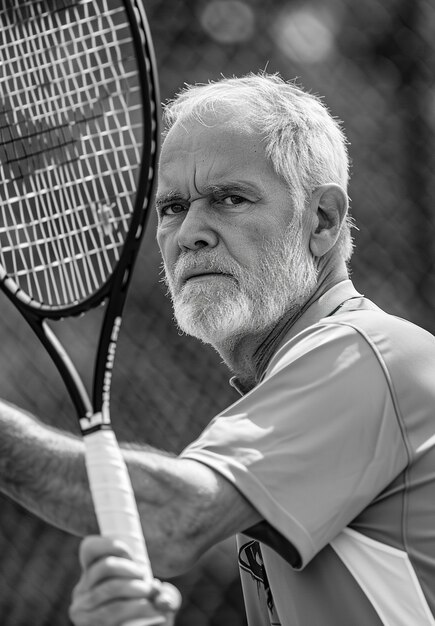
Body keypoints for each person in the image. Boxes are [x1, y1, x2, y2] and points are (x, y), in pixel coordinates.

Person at [1, 72, 435, 626]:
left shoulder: (370, 352)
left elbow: (177, 520)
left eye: (230, 199)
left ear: (322, 220)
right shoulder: (285, 386)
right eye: (173, 207)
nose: (190, 233)